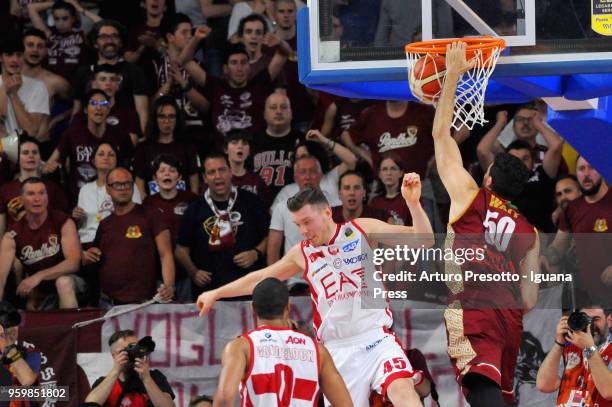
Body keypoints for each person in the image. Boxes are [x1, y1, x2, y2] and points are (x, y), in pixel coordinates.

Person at [197, 178, 434, 406]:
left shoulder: (361, 229)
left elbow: (424, 241)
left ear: (327, 213)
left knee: (403, 392)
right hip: (337, 349)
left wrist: (413, 204)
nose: (302, 230)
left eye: (307, 222)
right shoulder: (302, 253)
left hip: (377, 338)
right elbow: (261, 277)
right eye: (297, 224)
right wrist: (216, 293)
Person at [429, 42, 540, 406]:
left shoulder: (470, 196)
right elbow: (528, 299)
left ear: (489, 178)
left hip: (475, 311)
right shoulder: (531, 232)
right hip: (509, 322)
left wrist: (453, 79)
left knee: (483, 396)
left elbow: (441, 137)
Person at [213, 277, 353, 406]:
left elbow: (226, 397)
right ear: (288, 307)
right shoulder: (318, 351)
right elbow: (345, 404)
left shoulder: (241, 347)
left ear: (253, 308)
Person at [175, 153, 269, 297]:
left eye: (222, 170)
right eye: (211, 172)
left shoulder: (252, 202)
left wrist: (256, 253)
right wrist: (193, 272)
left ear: (230, 172)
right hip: (209, 293)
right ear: (205, 178)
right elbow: (180, 249)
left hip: (249, 290)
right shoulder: (193, 209)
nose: (218, 176)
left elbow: (271, 236)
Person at [89, 167, 175, 306]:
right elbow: (94, 255)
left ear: (133, 186)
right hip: (107, 303)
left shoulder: (151, 214)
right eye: (117, 184)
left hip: (143, 302)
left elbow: (166, 254)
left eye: (127, 183)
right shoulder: (104, 224)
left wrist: (169, 285)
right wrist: (89, 255)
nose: (123, 188)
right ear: (108, 189)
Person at [0, 177, 83, 309]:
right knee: (30, 302)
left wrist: (39, 276)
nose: (37, 199)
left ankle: (71, 329)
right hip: (41, 292)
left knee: (63, 282)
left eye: (41, 193)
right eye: (31, 194)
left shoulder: (63, 221)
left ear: (47, 197)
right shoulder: (12, 235)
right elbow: (1, 277)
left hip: (75, 285)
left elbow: (73, 263)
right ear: (21, 200)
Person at [542, 155, 611, 305]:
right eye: (581, 169)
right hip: (588, 300)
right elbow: (558, 248)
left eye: (591, 167)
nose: (586, 174)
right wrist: (542, 258)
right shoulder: (571, 210)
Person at [45, 89, 136, 201]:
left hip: (111, 197)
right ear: (85, 109)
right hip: (77, 198)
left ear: (108, 109)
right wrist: (50, 167)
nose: (98, 107)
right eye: (93, 103)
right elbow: (52, 161)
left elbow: (129, 165)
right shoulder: (72, 134)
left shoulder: (120, 135)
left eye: (103, 104)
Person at [72, 19, 149, 132]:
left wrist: (141, 140)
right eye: (103, 37)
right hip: (89, 137)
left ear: (121, 42)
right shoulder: (83, 72)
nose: (109, 41)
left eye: (114, 36)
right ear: (95, 43)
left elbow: (142, 112)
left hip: (125, 136)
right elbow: (77, 109)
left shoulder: (134, 71)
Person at [202, 43, 288, 138]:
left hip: (255, 150)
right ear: (225, 69)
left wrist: (279, 42)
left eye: (243, 63)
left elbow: (283, 54)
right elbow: (185, 61)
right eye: (234, 63)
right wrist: (197, 38)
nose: (239, 68)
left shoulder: (259, 85)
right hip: (222, 151)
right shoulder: (216, 87)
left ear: (249, 67)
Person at [143, 154, 198, 302]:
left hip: (188, 268)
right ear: (155, 178)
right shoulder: (148, 203)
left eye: (172, 170)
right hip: (159, 271)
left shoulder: (191, 199)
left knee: (188, 313)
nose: (167, 173)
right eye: (162, 171)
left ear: (179, 177)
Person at [536, 307, 612, 404]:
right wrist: (559, 343)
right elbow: (544, 385)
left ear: (609, 321)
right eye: (586, 319)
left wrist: (589, 349)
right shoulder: (569, 349)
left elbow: (608, 391)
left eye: (596, 319)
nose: (590, 325)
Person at [340, 100, 435, 177]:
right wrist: (368, 158)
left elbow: (447, 136)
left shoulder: (424, 111)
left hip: (418, 183)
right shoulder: (372, 113)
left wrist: (432, 162)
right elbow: (346, 135)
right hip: (383, 186)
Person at [73, 142, 142, 247]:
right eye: (101, 154)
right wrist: (77, 217)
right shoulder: (85, 189)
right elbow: (81, 226)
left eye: (111, 154)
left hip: (118, 240)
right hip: (88, 242)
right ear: (93, 160)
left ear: (117, 161)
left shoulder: (129, 186)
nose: (106, 157)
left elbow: (137, 216)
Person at [85, 329, 175, 407]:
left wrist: (147, 379)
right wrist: (116, 371)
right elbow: (89, 405)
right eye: (126, 350)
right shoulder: (104, 382)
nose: (132, 352)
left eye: (135, 347)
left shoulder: (154, 377)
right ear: (114, 355)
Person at [271, 128, 357, 208]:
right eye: (298, 158)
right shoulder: (288, 191)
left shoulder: (331, 178)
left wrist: (324, 140)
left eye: (304, 156)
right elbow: (275, 218)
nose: (301, 161)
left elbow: (351, 160)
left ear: (317, 156)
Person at [0, 136, 68, 237]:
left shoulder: (52, 188)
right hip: (15, 246)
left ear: (40, 157)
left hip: (47, 247)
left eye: (35, 152)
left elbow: (63, 222)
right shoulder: (6, 190)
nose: (31, 156)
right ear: (18, 157)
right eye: (25, 153)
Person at [134, 96, 199, 196]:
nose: (167, 121)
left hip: (184, 206)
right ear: (154, 119)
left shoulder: (188, 146)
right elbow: (140, 185)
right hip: (152, 207)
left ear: (177, 119)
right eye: (162, 116)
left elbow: (194, 183)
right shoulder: (143, 148)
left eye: (171, 116)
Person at [21, 28, 71, 144]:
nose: (35, 50)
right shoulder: (6, 79)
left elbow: (78, 105)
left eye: (40, 46)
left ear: (46, 51)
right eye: (30, 45)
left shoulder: (56, 82)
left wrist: (56, 120)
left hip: (41, 144)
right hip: (10, 145)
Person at [27, 0, 97, 80]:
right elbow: (31, 8)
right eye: (56, 19)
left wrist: (79, 8)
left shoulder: (82, 36)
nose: (60, 23)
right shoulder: (49, 34)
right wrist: (60, 2)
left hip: (75, 84)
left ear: (73, 18)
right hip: (50, 83)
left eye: (65, 19)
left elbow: (104, 24)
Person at [250, 92, 302, 195]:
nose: (278, 111)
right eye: (273, 108)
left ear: (291, 113)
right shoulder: (252, 142)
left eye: (283, 107)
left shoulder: (303, 142)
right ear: (264, 114)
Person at [0, 33, 49, 140]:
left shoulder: (38, 87)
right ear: (1, 58)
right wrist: (4, 89)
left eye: (19, 55)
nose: (14, 60)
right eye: (9, 55)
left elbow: (31, 131)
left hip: (23, 151)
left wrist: (13, 95)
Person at [224, 130, 272, 208]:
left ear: (249, 151)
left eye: (245, 143)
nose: (240, 146)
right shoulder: (218, 177)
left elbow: (266, 207)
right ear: (226, 149)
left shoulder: (257, 180)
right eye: (234, 142)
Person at [0, 300, 40, 387]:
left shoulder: (29, 353)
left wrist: (9, 348)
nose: (12, 331)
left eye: (15, 325)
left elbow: (28, 382)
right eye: (6, 327)